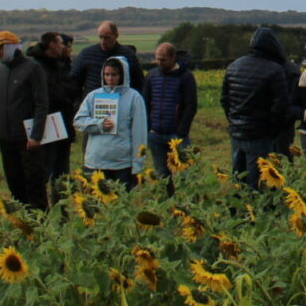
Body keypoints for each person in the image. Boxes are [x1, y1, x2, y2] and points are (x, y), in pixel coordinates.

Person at [220, 27, 293, 190]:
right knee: (259, 184)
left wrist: (234, 121)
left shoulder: (233, 67)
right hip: (261, 135)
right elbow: (282, 107)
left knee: (238, 179)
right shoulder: (275, 70)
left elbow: (225, 100)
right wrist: (272, 131)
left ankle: (239, 212)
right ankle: (258, 214)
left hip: (237, 133)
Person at [0, 30, 52, 209]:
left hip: (28, 141)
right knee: (15, 186)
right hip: (6, 139)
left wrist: (36, 135)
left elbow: (42, 103)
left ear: (10, 47)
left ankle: (40, 228)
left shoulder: (32, 68)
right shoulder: (0, 69)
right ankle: (21, 225)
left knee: (34, 186)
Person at [75, 55, 147, 190]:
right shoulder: (93, 96)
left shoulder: (134, 97)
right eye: (106, 74)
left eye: (114, 74)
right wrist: (98, 124)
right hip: (95, 160)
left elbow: (139, 132)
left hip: (121, 163)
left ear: (123, 75)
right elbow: (79, 121)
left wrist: (138, 165)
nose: (110, 78)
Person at [30, 31, 80, 197]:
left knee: (62, 172)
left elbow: (72, 88)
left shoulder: (63, 64)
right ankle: (42, 206)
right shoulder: (37, 66)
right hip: (47, 124)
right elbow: (50, 94)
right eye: (61, 44)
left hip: (64, 122)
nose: (65, 48)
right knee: (47, 168)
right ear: (51, 44)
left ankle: (62, 209)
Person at [142, 41, 195, 190]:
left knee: (185, 173)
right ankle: (168, 204)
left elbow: (190, 106)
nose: (159, 62)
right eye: (157, 59)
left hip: (176, 134)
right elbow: (145, 103)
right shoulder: (151, 76)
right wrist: (149, 127)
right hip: (155, 134)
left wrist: (181, 131)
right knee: (162, 175)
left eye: (163, 59)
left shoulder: (186, 76)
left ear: (173, 58)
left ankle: (186, 204)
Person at [71, 20, 142, 91]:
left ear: (116, 36)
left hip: (121, 98)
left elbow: (138, 81)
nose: (103, 42)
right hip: (94, 98)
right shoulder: (86, 54)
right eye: (100, 37)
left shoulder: (128, 55)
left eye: (107, 38)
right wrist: (79, 100)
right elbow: (74, 80)